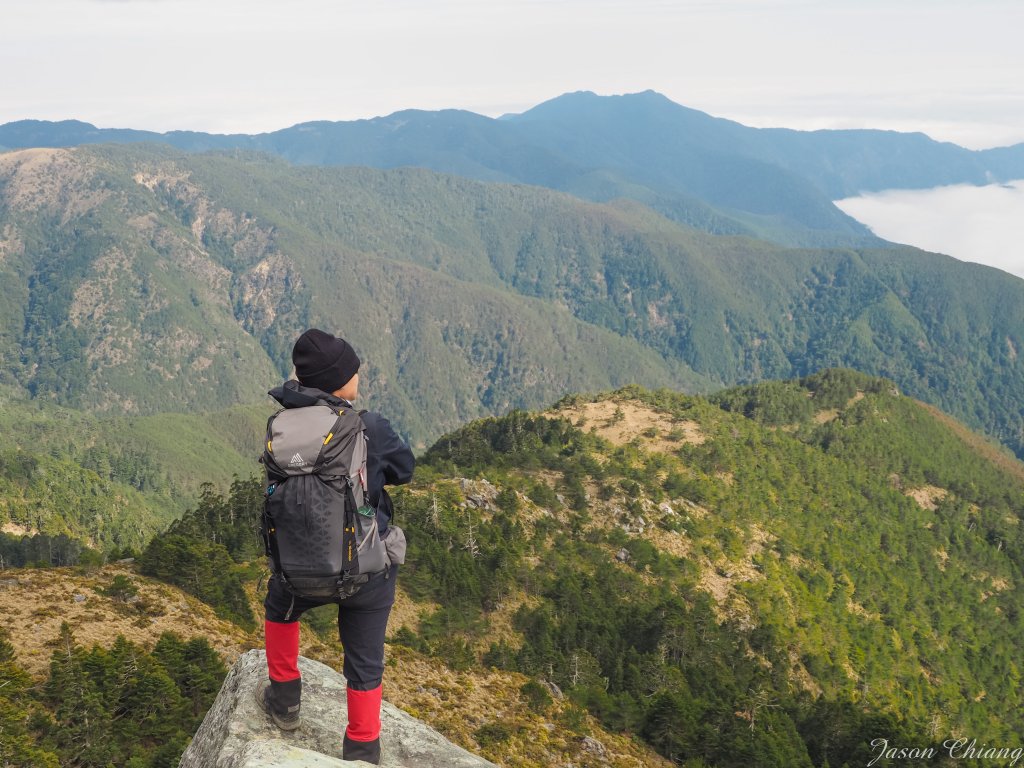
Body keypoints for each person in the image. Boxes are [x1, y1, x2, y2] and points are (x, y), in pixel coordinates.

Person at [257, 328, 415, 765]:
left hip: (296, 569)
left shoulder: (280, 427)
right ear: (337, 381)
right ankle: (362, 747)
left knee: (279, 606)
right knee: (364, 657)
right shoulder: (367, 426)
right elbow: (405, 470)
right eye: (353, 370)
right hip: (364, 573)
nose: (359, 375)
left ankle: (285, 700)